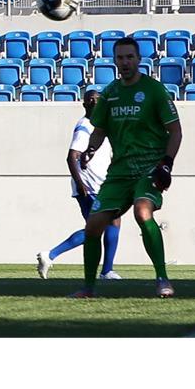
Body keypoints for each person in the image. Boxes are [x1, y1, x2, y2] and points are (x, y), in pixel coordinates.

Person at [69, 37, 182, 299]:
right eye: (120, 58)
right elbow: (100, 129)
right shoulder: (110, 93)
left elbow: (175, 131)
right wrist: (91, 150)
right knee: (93, 226)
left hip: (148, 169)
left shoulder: (154, 90)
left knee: (143, 213)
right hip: (119, 173)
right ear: (115, 61)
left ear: (138, 59)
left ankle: (162, 279)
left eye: (129, 57)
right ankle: (88, 287)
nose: (125, 62)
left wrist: (166, 163)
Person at [36, 90, 122, 281]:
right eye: (90, 100)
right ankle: (104, 270)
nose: (94, 103)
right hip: (90, 186)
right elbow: (71, 156)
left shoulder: (102, 126)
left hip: (100, 184)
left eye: (97, 100)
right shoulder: (85, 126)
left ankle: (52, 256)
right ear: (85, 105)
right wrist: (80, 183)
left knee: (103, 225)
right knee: (104, 224)